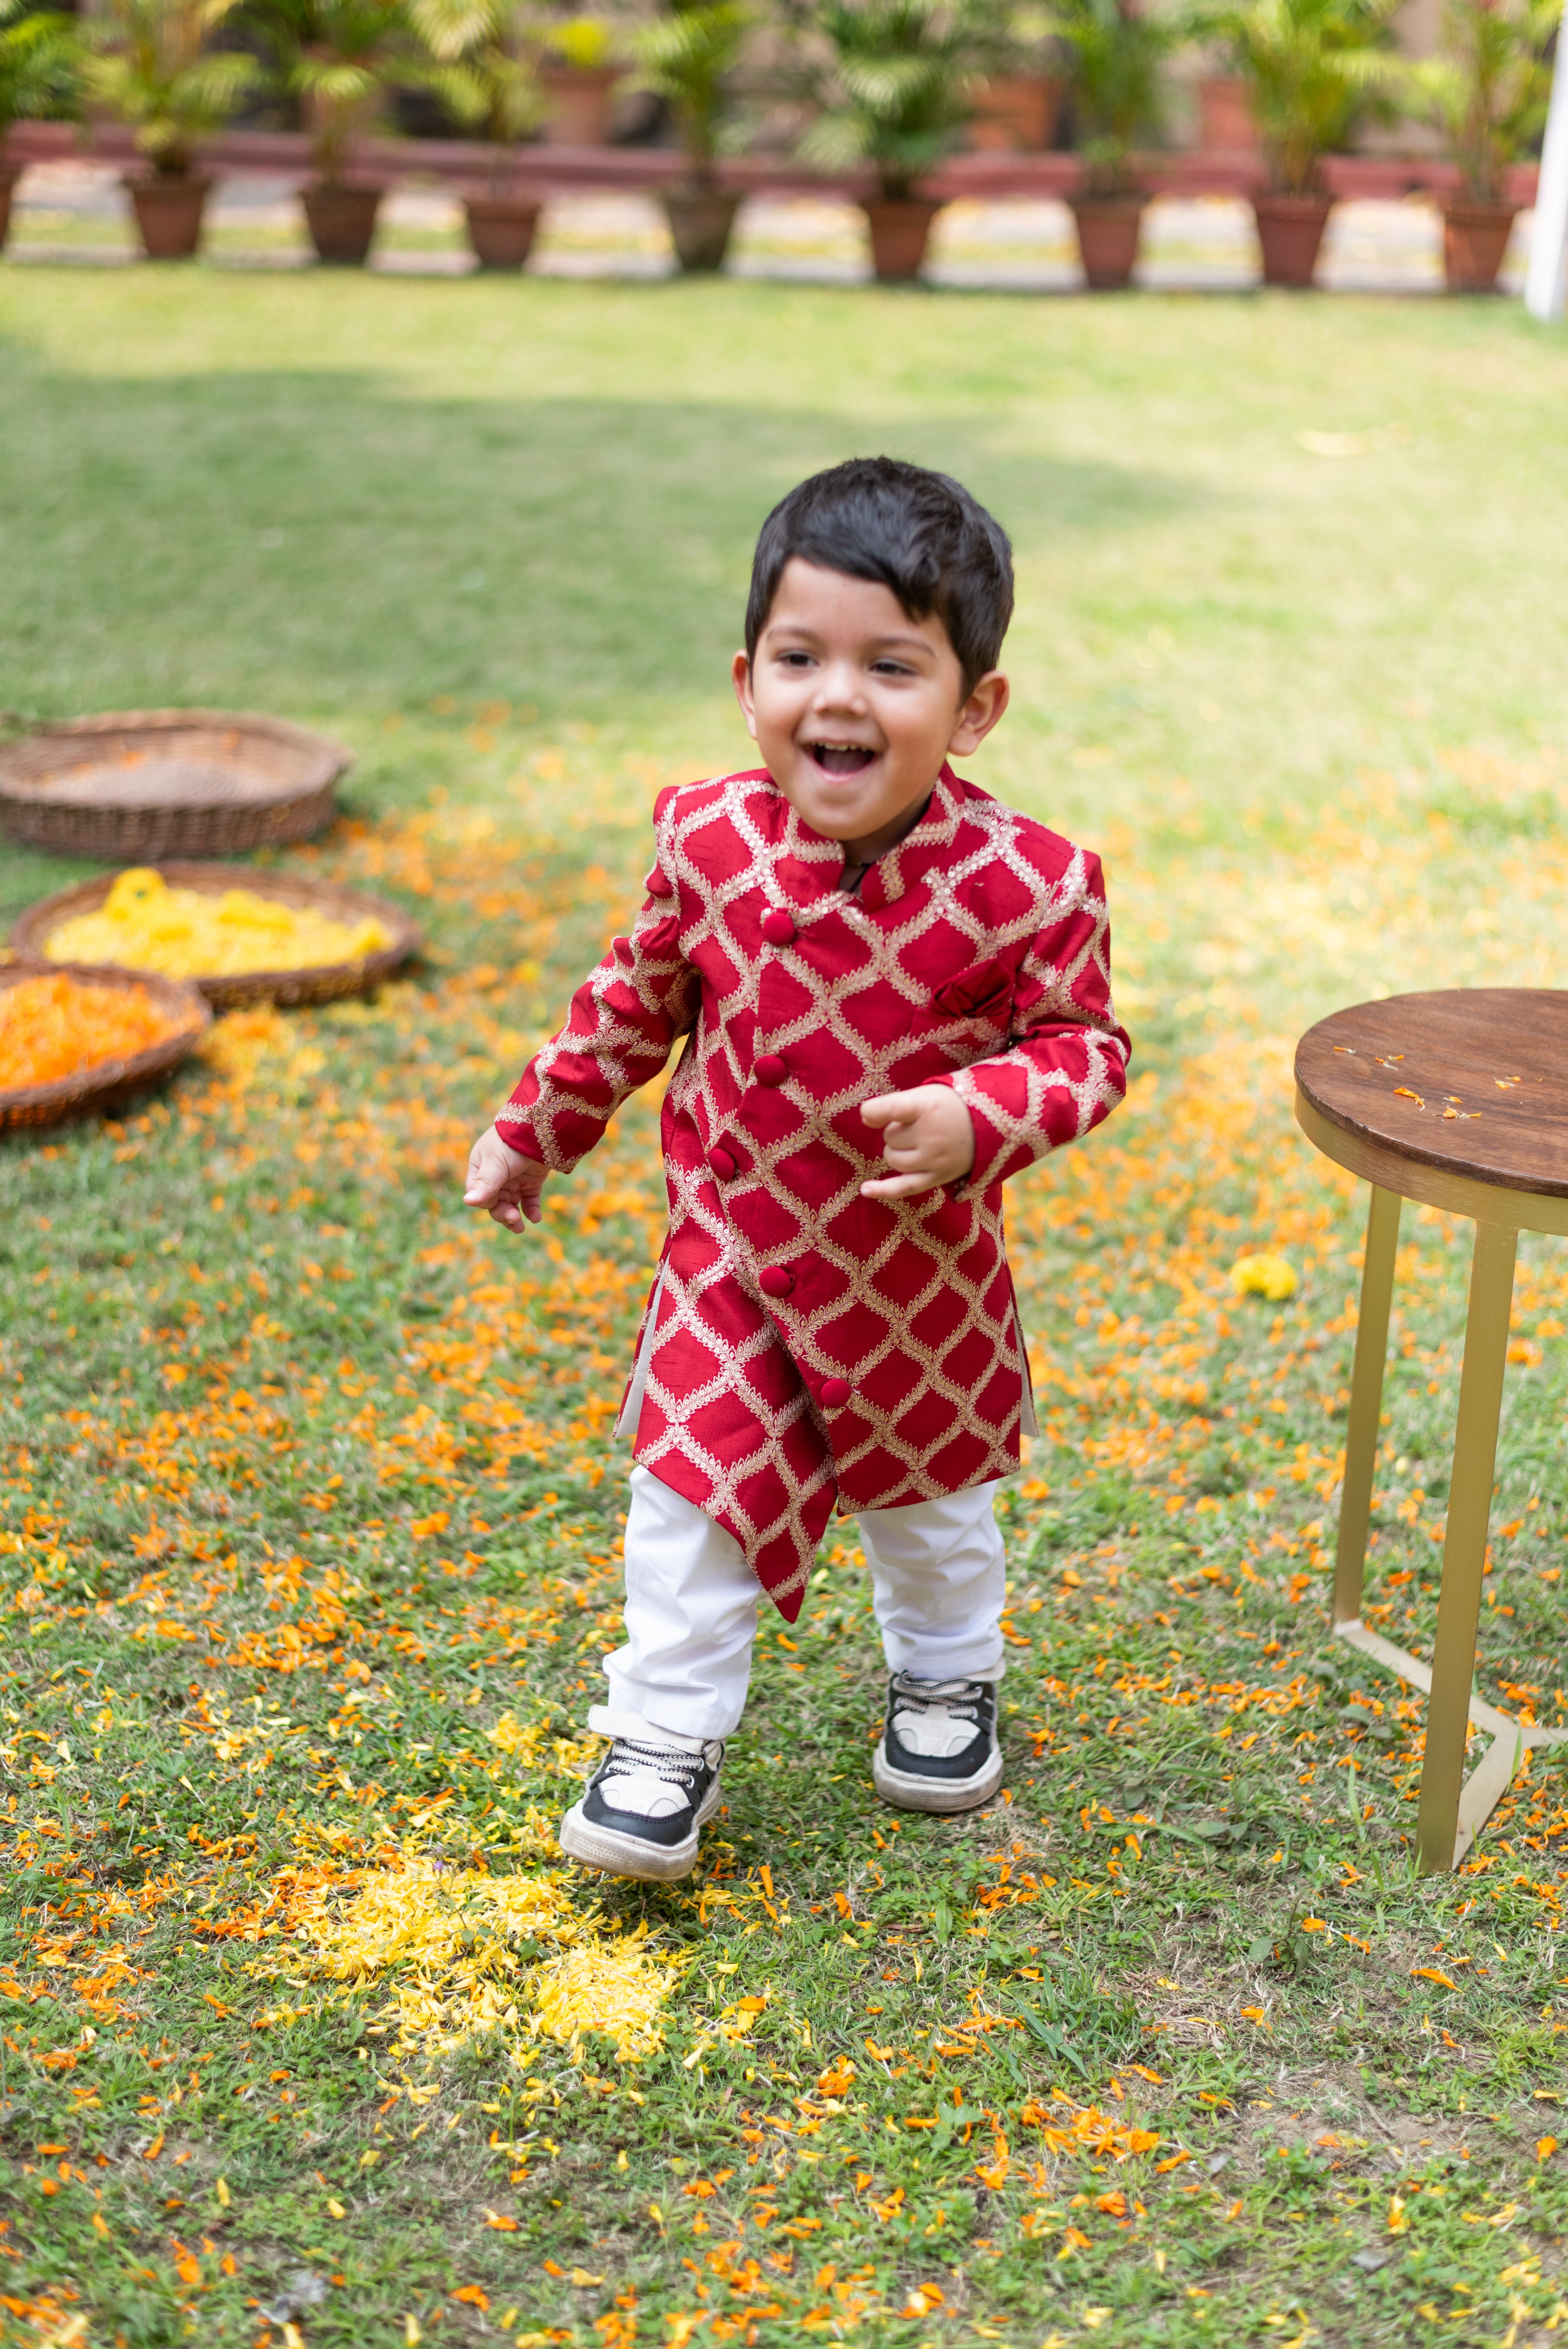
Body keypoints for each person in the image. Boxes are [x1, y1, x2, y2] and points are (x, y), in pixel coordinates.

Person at [464, 456, 1130, 1882]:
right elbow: (633, 997)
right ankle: (658, 1743)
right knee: (686, 1497)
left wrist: (987, 1111)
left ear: (974, 708)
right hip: (737, 1256)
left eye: (894, 666)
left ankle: (947, 1678)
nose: (838, 698)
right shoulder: (706, 838)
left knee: (932, 1511)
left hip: (914, 1279)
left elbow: (1088, 1051)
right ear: (746, 676)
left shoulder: (1031, 883)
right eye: (800, 657)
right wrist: (537, 1125)